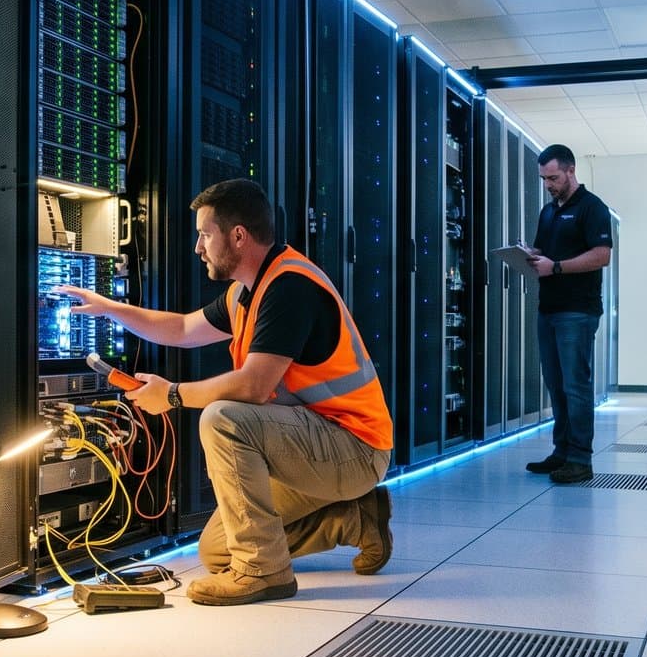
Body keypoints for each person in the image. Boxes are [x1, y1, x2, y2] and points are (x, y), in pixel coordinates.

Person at [56, 178, 394, 606]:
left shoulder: (290, 287)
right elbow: (180, 328)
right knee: (217, 550)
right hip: (315, 447)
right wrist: (110, 308)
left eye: (205, 234)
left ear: (238, 236)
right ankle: (356, 520)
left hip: (354, 448)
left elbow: (254, 386)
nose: (198, 247)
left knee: (223, 418)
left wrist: (173, 395)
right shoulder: (245, 293)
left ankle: (263, 573)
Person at [522, 144, 613, 485]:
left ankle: (580, 459)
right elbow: (542, 252)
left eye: (554, 177)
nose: (549, 184)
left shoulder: (593, 208)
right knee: (556, 385)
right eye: (544, 178)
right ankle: (561, 451)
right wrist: (528, 256)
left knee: (576, 386)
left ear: (571, 170)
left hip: (578, 311)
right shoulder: (549, 212)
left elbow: (601, 255)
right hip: (548, 310)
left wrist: (556, 267)